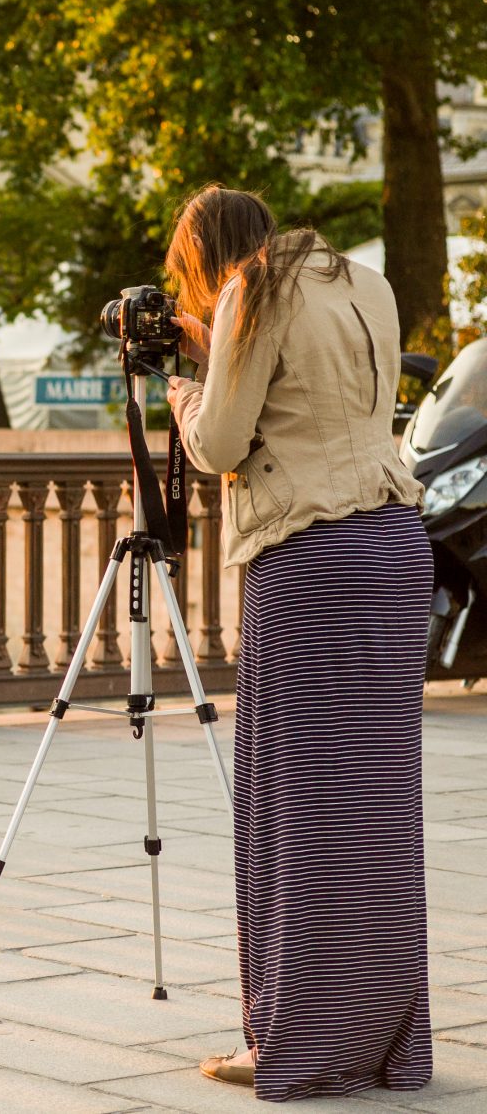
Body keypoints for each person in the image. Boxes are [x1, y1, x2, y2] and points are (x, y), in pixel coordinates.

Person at [163, 186, 430, 1100]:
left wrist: (184, 393)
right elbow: (326, 397)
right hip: (395, 545)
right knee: (374, 811)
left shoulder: (252, 292)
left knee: (299, 806)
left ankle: (296, 1039)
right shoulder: (364, 279)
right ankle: (383, 1038)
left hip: (311, 554)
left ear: (206, 257)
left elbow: (225, 440)